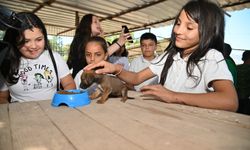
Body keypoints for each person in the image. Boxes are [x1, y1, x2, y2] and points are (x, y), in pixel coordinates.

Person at [84, 0, 238, 112]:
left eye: (189, 27)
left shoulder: (211, 57)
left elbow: (229, 101)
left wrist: (174, 96)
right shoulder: (169, 56)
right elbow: (137, 78)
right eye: (178, 23)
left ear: (208, 33)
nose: (178, 31)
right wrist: (115, 68)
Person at [0, 12, 76, 103]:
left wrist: (62, 101)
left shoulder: (55, 57)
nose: (33, 46)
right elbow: (2, 96)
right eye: (26, 41)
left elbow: (69, 83)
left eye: (39, 39)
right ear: (15, 40)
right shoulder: (6, 61)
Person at [67, 14, 130, 78]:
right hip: (82, 80)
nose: (99, 25)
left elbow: (105, 54)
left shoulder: (91, 41)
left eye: (99, 22)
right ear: (87, 24)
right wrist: (119, 42)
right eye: (95, 22)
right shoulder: (80, 41)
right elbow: (104, 54)